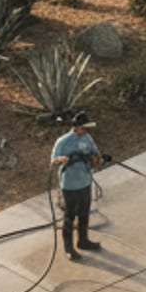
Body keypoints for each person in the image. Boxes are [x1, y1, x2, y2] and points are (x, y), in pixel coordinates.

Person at [51, 111, 103, 260]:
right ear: (76, 127)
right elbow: (53, 161)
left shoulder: (87, 139)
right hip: (69, 185)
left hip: (85, 181)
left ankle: (83, 241)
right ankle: (69, 248)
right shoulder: (63, 142)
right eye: (83, 128)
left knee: (84, 213)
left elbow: (96, 156)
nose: (85, 131)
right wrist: (63, 159)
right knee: (69, 217)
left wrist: (97, 159)